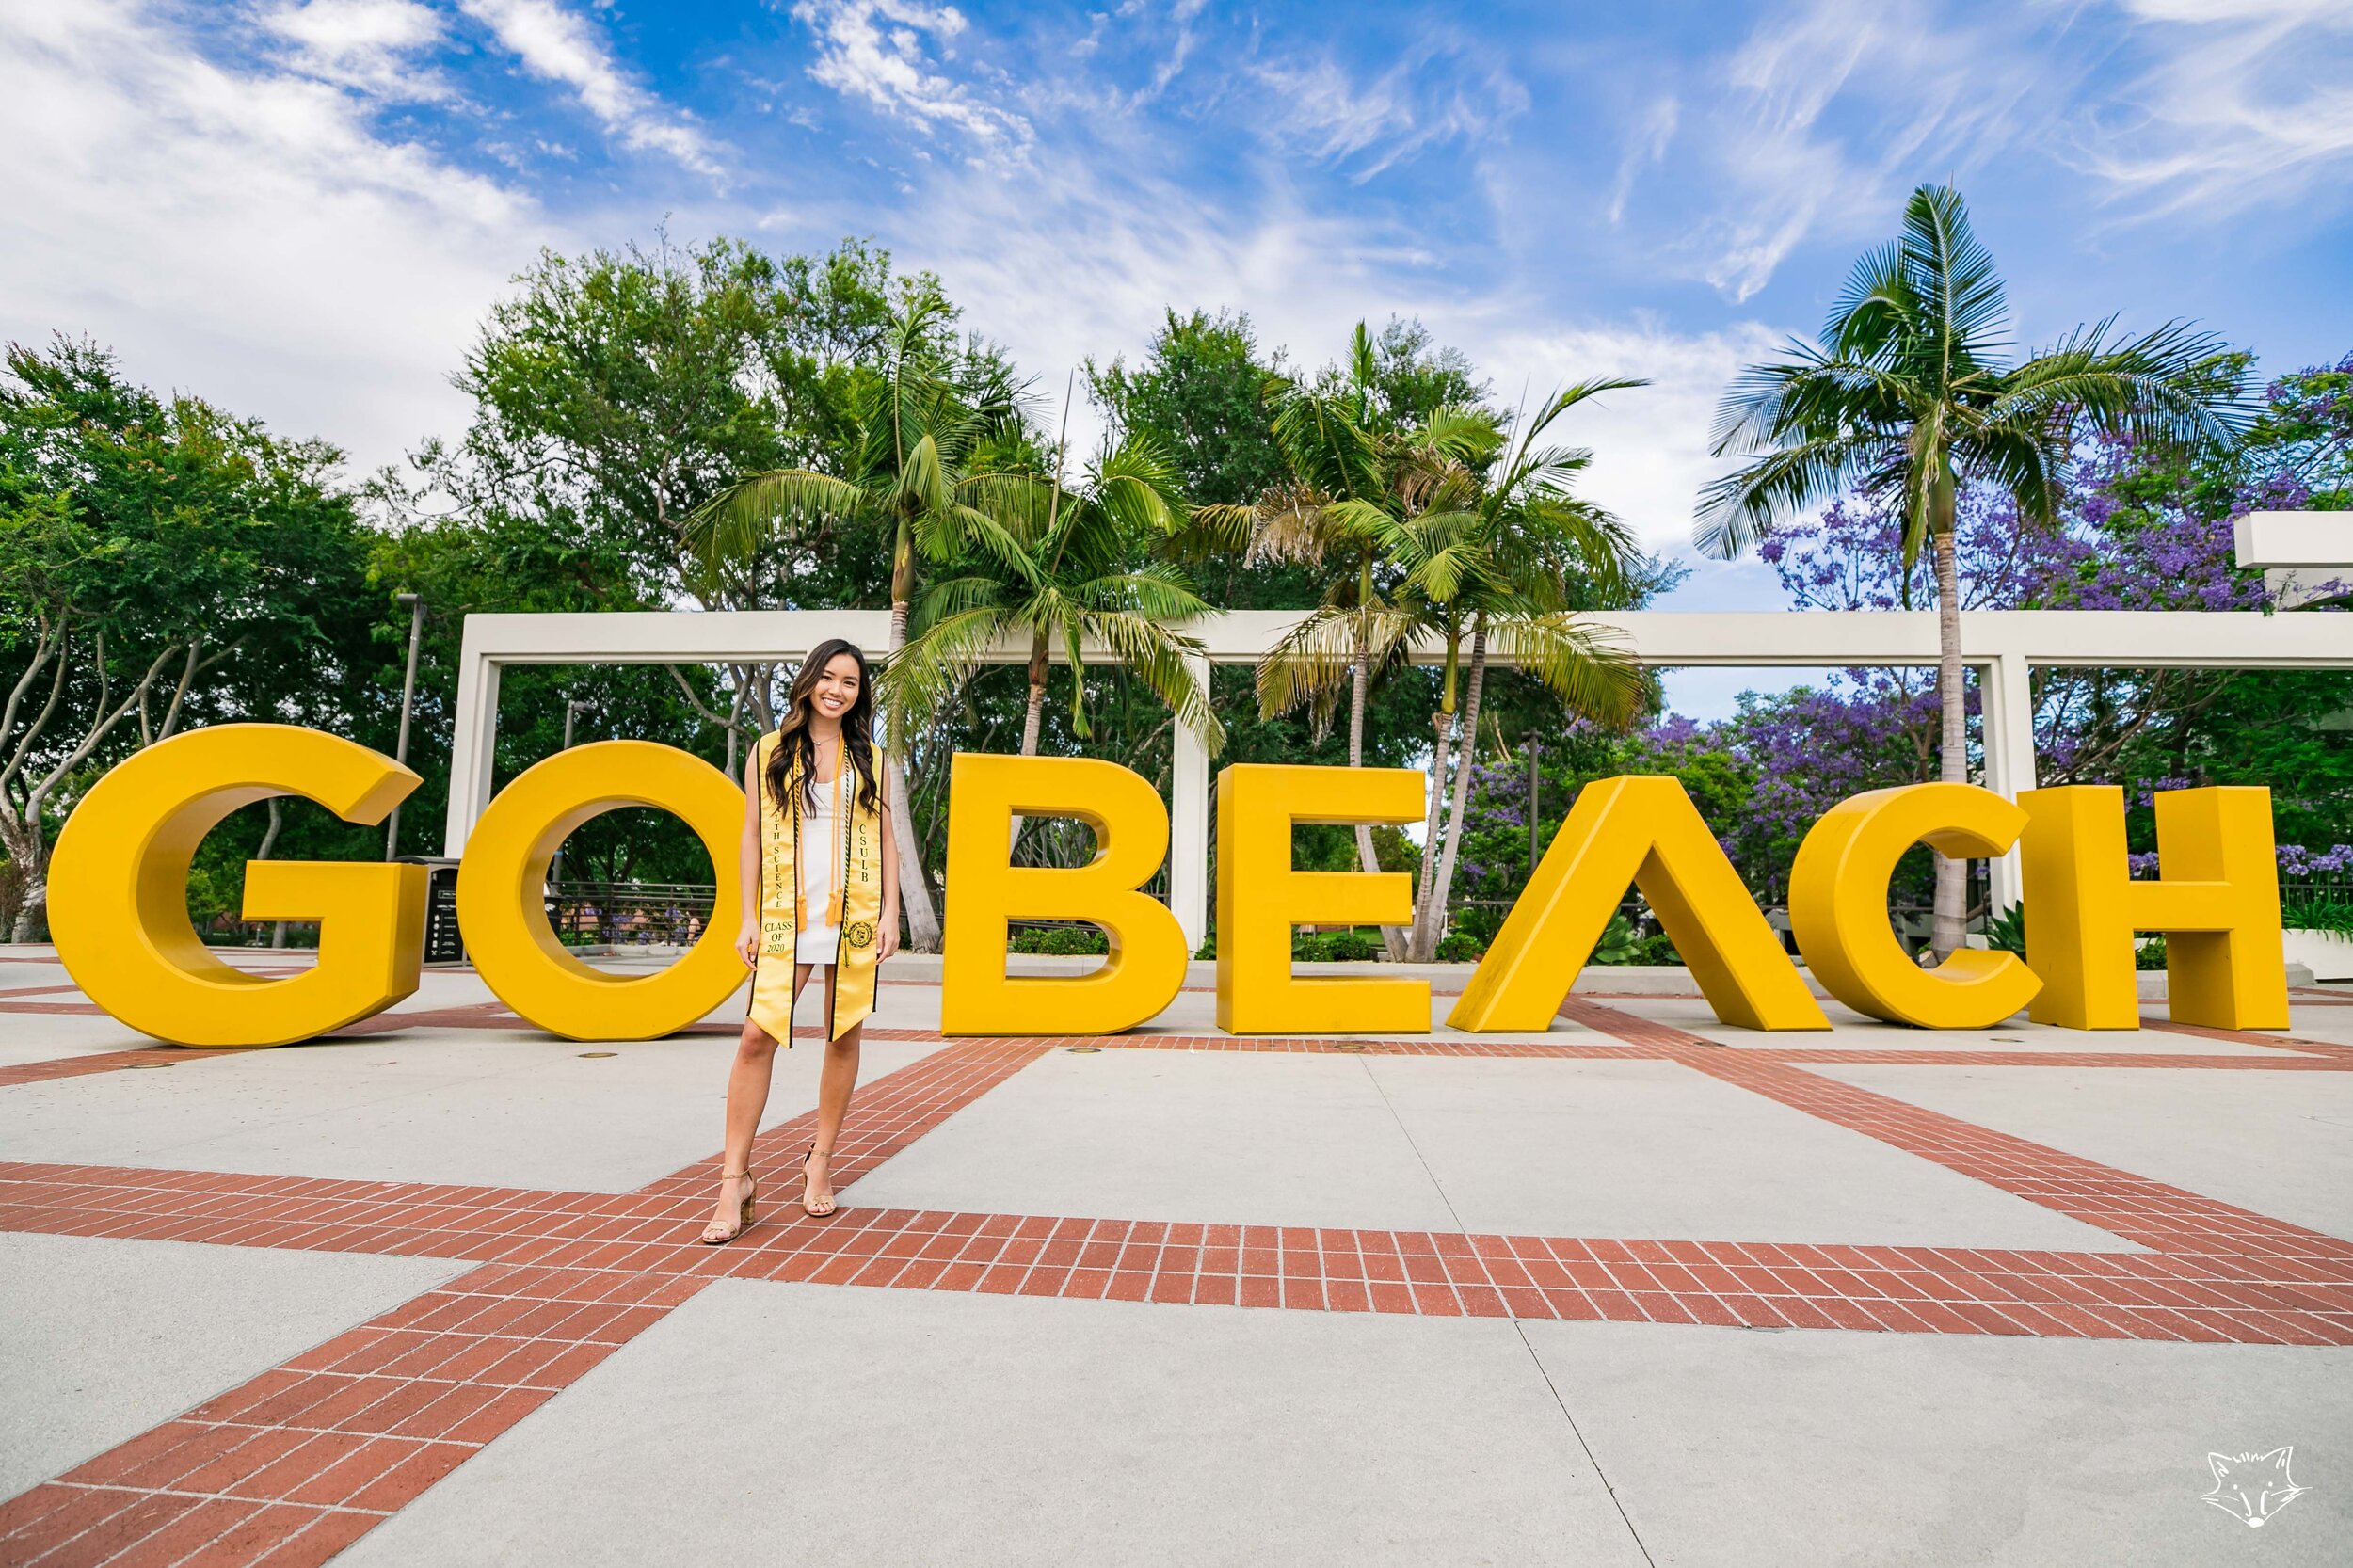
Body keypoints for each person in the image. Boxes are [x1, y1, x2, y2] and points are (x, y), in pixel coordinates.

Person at [701, 640, 900, 1243]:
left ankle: (820, 1162)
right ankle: (734, 1178)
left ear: (860, 693)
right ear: (810, 681)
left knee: (843, 1034)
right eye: (830, 678)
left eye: (851, 682)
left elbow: (889, 838)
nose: (838, 690)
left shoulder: (873, 757)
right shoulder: (770, 751)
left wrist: (892, 912)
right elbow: (749, 838)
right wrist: (747, 917)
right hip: (789, 913)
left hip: (855, 913)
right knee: (757, 1034)